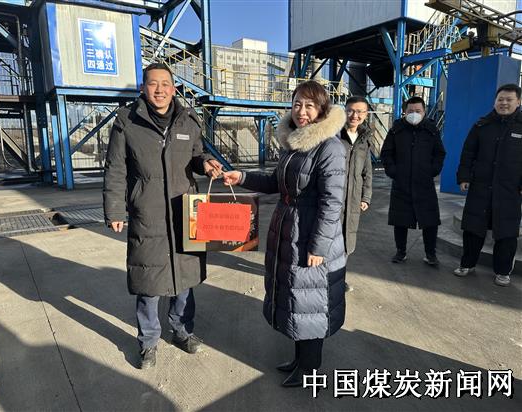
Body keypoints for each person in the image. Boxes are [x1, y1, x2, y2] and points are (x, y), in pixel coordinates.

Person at [223, 81, 348, 387]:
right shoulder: (294, 143)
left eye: (309, 106)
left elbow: (332, 203)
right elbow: (275, 183)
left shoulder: (329, 147)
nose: (301, 111)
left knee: (311, 302)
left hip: (311, 236)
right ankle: (300, 360)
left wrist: (318, 247)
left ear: (322, 110)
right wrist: (241, 177)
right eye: (297, 104)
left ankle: (310, 369)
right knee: (296, 299)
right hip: (288, 229)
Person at [103, 63, 222, 369]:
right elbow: (115, 169)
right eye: (153, 84)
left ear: (173, 88)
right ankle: (148, 342)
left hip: (185, 209)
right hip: (148, 211)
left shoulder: (187, 120)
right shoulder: (127, 121)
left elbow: (196, 154)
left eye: (165, 84)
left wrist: (206, 163)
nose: (160, 90)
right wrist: (115, 209)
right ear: (143, 88)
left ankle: (182, 331)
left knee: (184, 278)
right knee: (149, 282)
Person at [454, 83, 522, 287]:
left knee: (506, 233)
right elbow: (468, 153)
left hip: (510, 190)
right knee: (473, 229)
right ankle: (467, 264)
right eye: (500, 99)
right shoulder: (482, 125)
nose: (504, 103)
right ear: (494, 102)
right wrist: (464, 177)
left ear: (518, 102)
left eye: (509, 99)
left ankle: (503, 271)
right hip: (480, 187)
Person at [380, 96, 446, 265]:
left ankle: (430, 254)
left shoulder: (431, 130)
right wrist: (393, 171)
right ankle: (400, 252)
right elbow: (386, 153)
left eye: (418, 111)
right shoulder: (396, 130)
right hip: (401, 183)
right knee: (400, 220)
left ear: (424, 112)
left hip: (424, 184)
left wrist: (433, 170)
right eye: (410, 111)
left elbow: (439, 153)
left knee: (430, 221)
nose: (414, 114)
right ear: (404, 112)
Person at [340, 96, 373, 283]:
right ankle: (324, 279)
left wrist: (365, 197)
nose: (355, 115)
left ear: (366, 114)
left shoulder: (364, 139)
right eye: (351, 110)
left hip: (353, 199)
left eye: (360, 111)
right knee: (329, 237)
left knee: (347, 238)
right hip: (334, 197)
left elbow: (367, 171)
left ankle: (338, 278)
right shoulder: (335, 136)